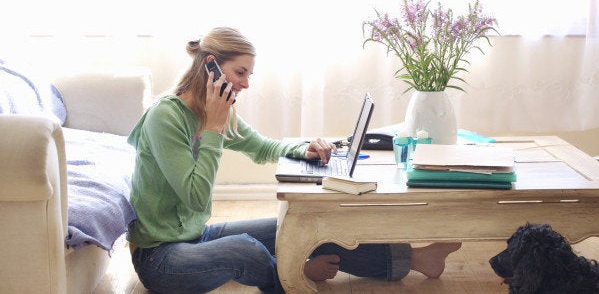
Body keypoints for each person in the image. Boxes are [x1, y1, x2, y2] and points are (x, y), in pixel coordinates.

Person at [126, 26, 462, 294]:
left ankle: (417, 259)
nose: (245, 83)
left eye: (249, 75)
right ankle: (294, 276)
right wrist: (214, 128)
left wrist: (305, 149)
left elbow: (261, 147)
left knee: (308, 229)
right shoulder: (166, 117)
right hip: (161, 258)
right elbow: (195, 195)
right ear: (211, 65)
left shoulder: (215, 111)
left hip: (197, 236)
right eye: (240, 72)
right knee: (244, 250)